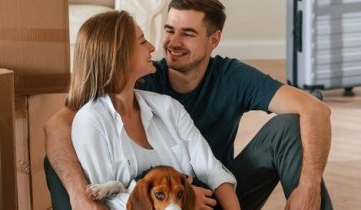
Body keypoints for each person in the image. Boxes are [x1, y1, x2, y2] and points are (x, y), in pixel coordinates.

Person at [44, 0, 333, 209]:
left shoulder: (226, 78)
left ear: (214, 40)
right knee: (58, 163)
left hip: (219, 192)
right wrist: (79, 193)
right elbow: (59, 123)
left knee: (290, 126)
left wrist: (308, 188)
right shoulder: (142, 80)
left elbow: (315, 109)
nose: (171, 42)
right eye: (169, 30)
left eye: (188, 33)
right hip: (163, 199)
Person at [63, 10, 239, 210]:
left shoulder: (169, 107)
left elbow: (212, 170)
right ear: (119, 54)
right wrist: (178, 200)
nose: (152, 47)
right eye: (142, 41)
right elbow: (104, 202)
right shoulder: (91, 121)